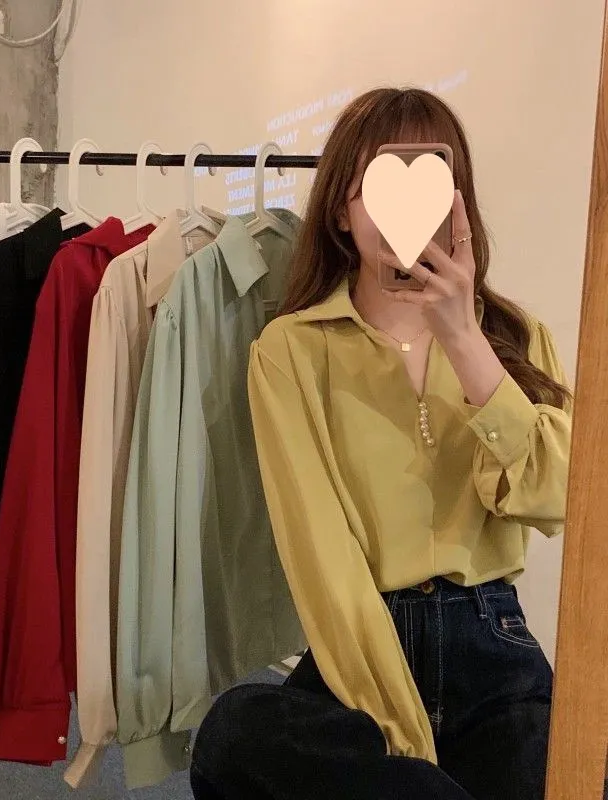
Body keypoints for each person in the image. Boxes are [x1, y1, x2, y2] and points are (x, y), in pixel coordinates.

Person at [190, 87, 572, 800]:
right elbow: (322, 554)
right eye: (381, 188)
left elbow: (557, 499)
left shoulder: (515, 338)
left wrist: (465, 341)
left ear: (458, 204)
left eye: (429, 185)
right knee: (231, 735)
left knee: (576, 762)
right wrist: (401, 739)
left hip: (493, 644)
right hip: (359, 640)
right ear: (341, 209)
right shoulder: (291, 351)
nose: (405, 215)